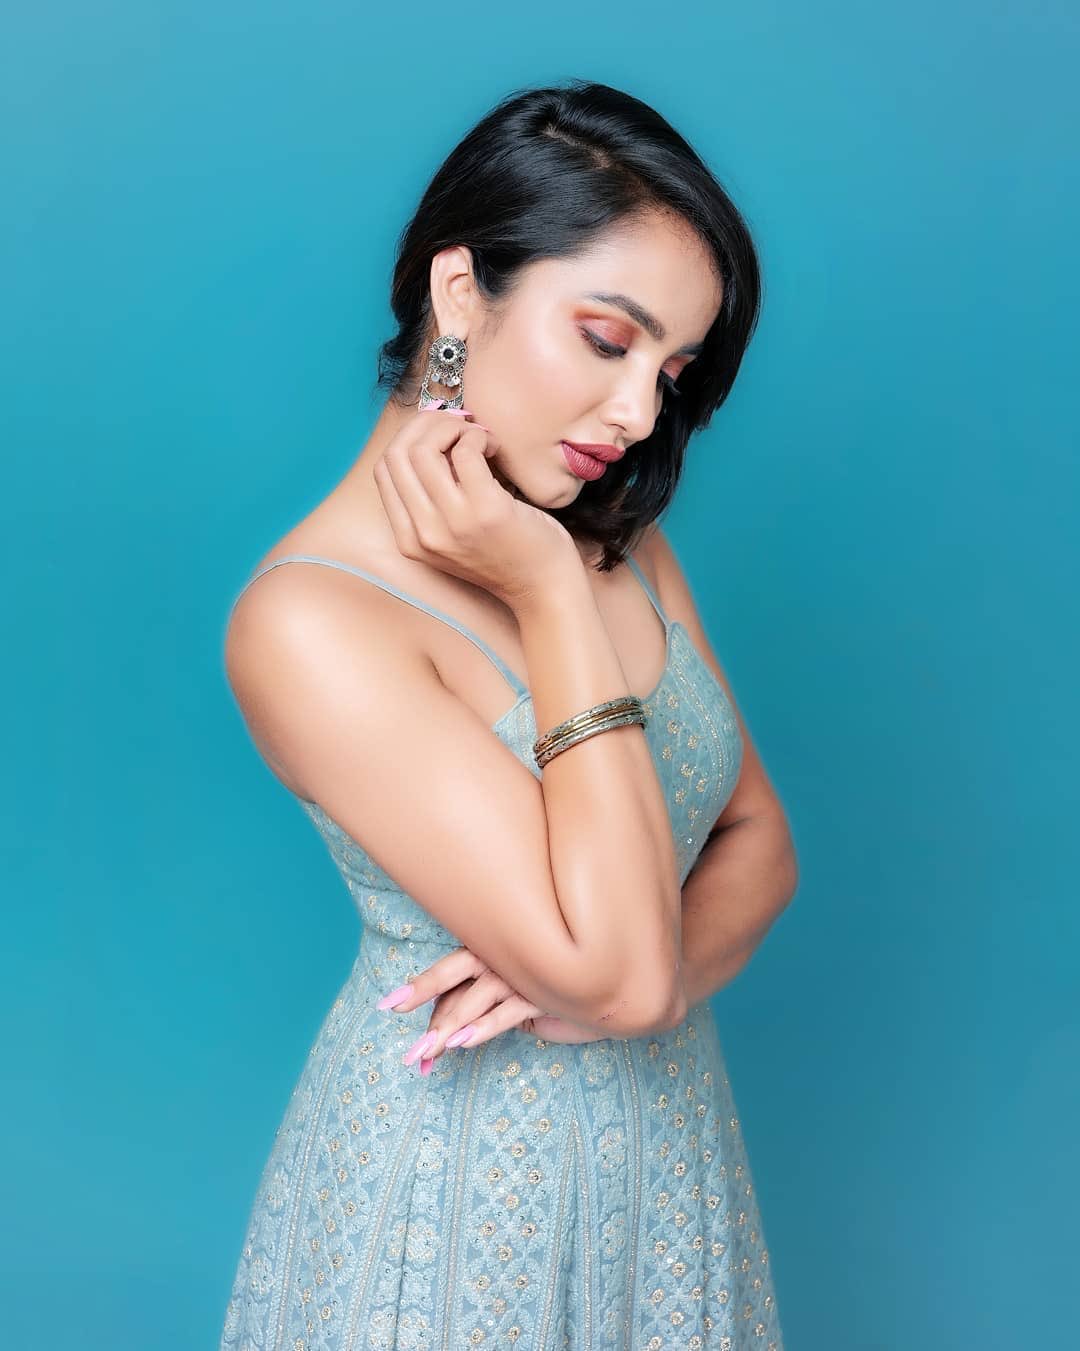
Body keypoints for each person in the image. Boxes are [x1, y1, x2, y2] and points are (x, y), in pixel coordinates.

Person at [219, 78, 796, 1350]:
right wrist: (545, 590)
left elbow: (760, 847)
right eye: (605, 338)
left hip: (672, 1174)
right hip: (456, 1203)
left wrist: (622, 990)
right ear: (459, 292)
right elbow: (624, 974)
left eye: (672, 370)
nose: (638, 414)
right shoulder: (314, 621)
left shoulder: (621, 543)